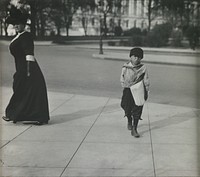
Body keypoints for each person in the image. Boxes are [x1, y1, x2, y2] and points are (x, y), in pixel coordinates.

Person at [2, 6, 50, 125]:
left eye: (18, 23)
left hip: (28, 67)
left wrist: (29, 71)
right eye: (14, 24)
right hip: (21, 67)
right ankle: (15, 115)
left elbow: (29, 53)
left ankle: (16, 115)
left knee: (23, 90)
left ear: (24, 24)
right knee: (21, 90)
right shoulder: (19, 36)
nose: (16, 26)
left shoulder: (26, 36)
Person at [120, 47, 150, 137]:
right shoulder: (125, 67)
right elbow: (122, 77)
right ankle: (129, 119)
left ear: (141, 58)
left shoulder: (143, 68)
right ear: (131, 57)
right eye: (134, 56)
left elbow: (146, 79)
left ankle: (134, 128)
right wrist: (124, 84)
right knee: (126, 106)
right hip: (128, 89)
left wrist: (147, 90)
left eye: (139, 57)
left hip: (139, 89)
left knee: (138, 107)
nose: (136, 59)